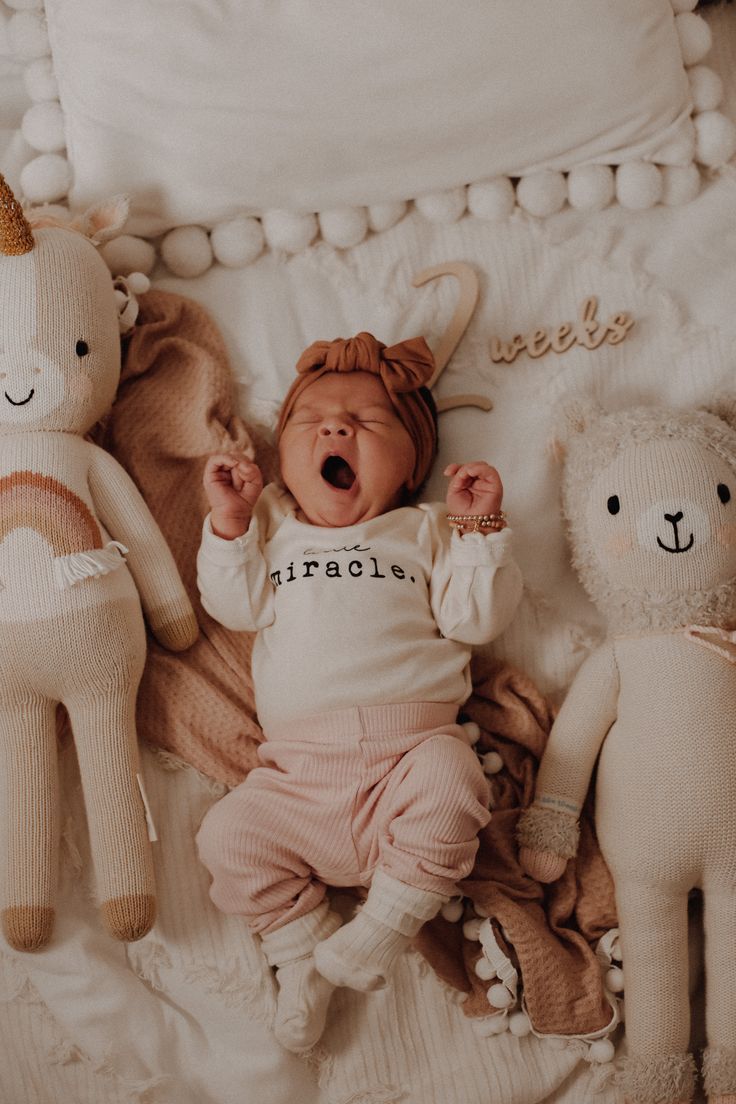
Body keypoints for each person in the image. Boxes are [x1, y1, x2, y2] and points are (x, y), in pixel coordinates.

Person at [195, 332, 523, 1052]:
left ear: (414, 465)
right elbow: (234, 605)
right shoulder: (273, 527)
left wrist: (479, 532)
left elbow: (477, 617)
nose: (337, 428)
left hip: (410, 756)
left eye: (369, 423)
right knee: (227, 837)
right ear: (281, 460)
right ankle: (301, 955)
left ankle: (380, 928)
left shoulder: (427, 529)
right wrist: (229, 525)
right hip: (296, 781)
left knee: (455, 780)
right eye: (311, 422)